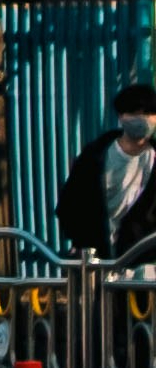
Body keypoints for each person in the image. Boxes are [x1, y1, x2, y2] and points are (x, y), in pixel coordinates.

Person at [66, 83, 156, 268]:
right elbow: (70, 204)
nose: (143, 119)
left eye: (149, 113)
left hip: (143, 263)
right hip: (96, 260)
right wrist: (80, 241)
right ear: (121, 116)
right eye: (135, 113)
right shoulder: (94, 157)